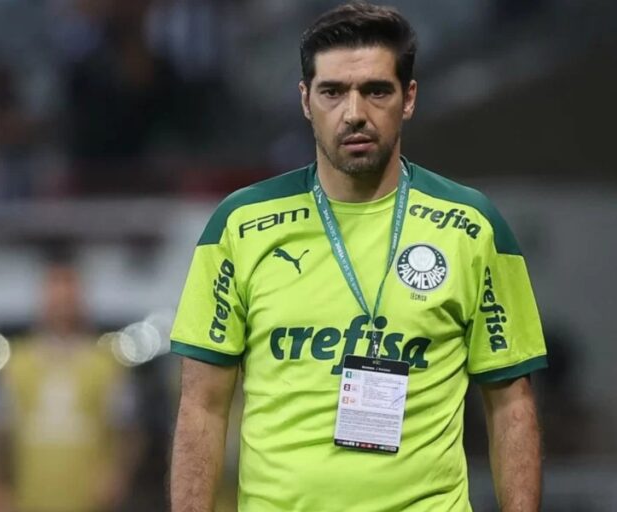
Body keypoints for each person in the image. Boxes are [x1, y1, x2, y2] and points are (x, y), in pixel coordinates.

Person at [169, 3, 547, 511]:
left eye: (376, 90)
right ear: (305, 100)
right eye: (332, 91)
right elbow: (201, 407)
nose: (354, 113)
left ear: (408, 98)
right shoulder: (239, 225)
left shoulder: (473, 226)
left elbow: (511, 405)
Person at [0, 261, 142, 512]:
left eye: (69, 298)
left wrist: (117, 475)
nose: (62, 308)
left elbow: (128, 430)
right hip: (27, 500)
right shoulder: (16, 363)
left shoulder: (106, 365)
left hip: (88, 503)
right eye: (55, 299)